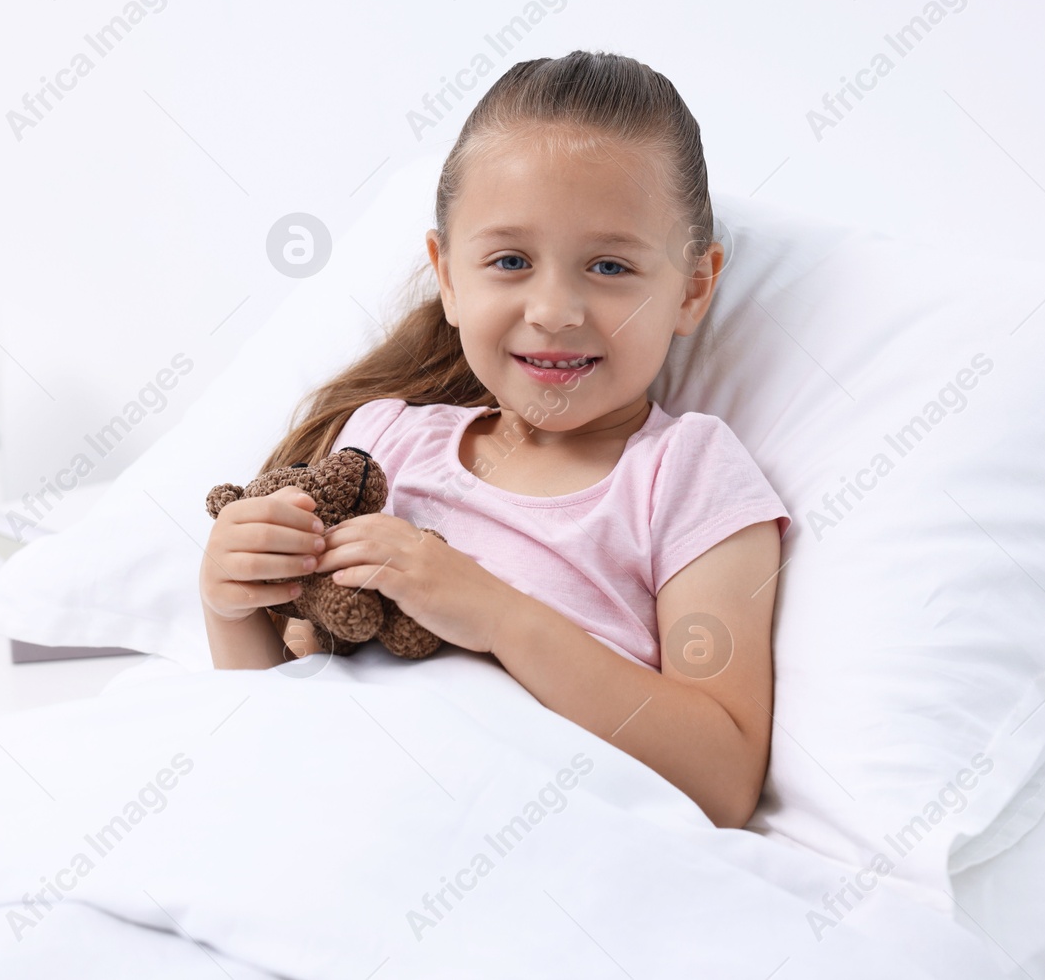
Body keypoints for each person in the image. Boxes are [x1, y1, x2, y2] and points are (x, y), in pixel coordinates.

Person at [200, 51, 789, 829]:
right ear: (447, 276)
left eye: (609, 266)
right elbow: (292, 711)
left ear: (692, 288)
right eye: (510, 260)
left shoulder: (686, 474)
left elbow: (722, 776)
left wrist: (493, 612)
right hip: (341, 814)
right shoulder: (382, 442)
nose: (553, 309)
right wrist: (231, 605)